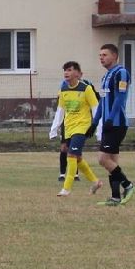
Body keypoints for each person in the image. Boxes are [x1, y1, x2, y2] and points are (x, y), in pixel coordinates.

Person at [48, 61, 104, 198]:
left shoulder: (86, 89)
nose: (66, 73)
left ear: (78, 73)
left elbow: (96, 109)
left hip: (82, 127)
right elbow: (60, 111)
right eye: (65, 70)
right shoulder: (63, 90)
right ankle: (96, 182)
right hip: (69, 128)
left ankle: (66, 188)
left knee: (71, 156)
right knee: (77, 158)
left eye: (69, 70)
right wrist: (54, 129)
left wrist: (98, 130)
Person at [94, 43, 135, 206]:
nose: (101, 58)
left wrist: (111, 118)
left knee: (103, 159)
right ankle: (115, 197)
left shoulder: (121, 73)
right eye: (100, 55)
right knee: (112, 161)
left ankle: (128, 185)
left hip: (117, 124)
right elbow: (102, 101)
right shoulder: (105, 77)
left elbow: (120, 97)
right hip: (107, 124)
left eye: (104, 55)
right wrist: (95, 121)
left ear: (114, 56)